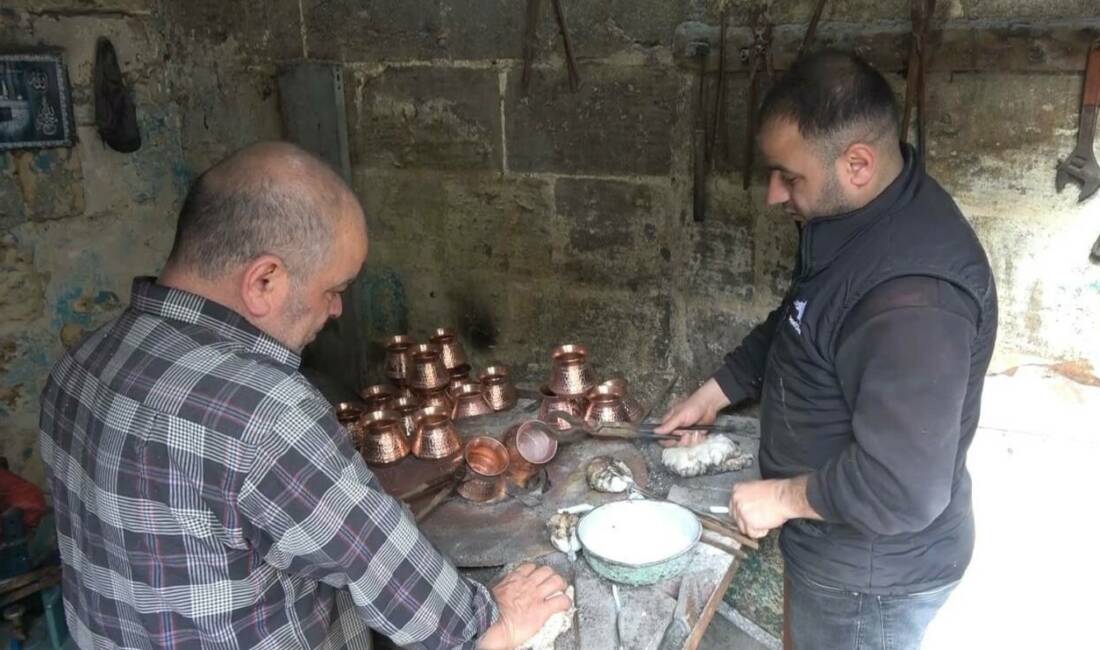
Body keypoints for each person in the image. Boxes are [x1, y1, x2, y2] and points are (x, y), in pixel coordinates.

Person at [39, 142, 570, 649]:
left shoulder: (78, 365)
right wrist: (490, 620)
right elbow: (391, 572)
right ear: (264, 281)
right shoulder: (265, 412)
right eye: (333, 290)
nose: (337, 310)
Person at [657, 51, 997, 649]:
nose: (772, 194)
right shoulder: (859, 220)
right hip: (831, 544)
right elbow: (802, 318)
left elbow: (903, 488)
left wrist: (783, 497)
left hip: (871, 579)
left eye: (789, 177)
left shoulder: (914, 300)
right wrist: (717, 391)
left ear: (858, 163)